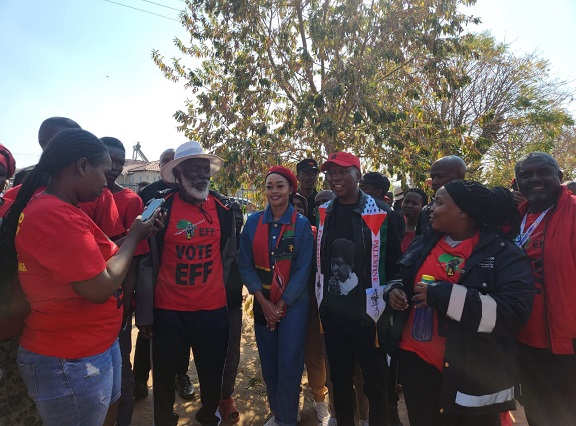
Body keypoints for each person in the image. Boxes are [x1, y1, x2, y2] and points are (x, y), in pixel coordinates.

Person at [0, 128, 160, 426]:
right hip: (68, 357)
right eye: (103, 170)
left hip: (93, 345)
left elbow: (102, 258)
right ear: (82, 166)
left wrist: (136, 233)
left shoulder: (66, 209)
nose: (107, 180)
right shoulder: (52, 214)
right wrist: (136, 235)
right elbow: (99, 287)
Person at [386, 180, 534, 426]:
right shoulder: (425, 241)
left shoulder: (503, 253)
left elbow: (512, 313)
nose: (431, 207)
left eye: (439, 202)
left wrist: (443, 295)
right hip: (417, 364)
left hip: (471, 373)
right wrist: (395, 290)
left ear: (463, 212)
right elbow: (401, 275)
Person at [138, 141, 236, 426]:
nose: (202, 175)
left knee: (212, 372)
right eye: (194, 170)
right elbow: (145, 262)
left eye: (205, 170)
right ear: (178, 174)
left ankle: (209, 416)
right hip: (168, 312)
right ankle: (164, 420)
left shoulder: (224, 209)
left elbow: (228, 257)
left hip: (212, 311)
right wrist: (145, 313)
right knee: (166, 376)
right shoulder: (159, 209)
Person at [317, 152, 402, 426]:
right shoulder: (324, 211)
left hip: (370, 316)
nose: (335, 178)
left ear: (357, 175)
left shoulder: (381, 211)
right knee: (339, 381)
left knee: (375, 383)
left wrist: (394, 290)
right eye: (330, 173)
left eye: (342, 172)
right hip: (333, 313)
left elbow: (396, 262)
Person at [239, 165, 313, 426]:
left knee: (289, 364)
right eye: (269, 186)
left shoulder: (302, 225)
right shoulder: (253, 222)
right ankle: (279, 412)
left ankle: (288, 418)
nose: (274, 191)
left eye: (280, 186)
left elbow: (304, 270)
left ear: (291, 189)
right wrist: (263, 301)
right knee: (269, 363)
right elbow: (245, 263)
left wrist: (280, 304)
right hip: (262, 303)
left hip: (292, 305)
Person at [514, 152, 576, 424]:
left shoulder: (574, 212)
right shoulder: (514, 218)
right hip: (523, 340)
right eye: (526, 175)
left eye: (543, 172)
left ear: (559, 177)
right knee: (538, 414)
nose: (535, 179)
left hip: (567, 342)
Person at [132, 147, 196, 401]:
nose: (169, 164)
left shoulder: (191, 194)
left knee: (181, 338)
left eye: (173, 161)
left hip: (179, 283)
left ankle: (181, 375)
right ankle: (139, 380)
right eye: (165, 161)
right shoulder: (148, 194)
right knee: (147, 334)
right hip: (152, 277)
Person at [3, 117, 125, 239]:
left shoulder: (100, 195)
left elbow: (110, 246)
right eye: (72, 144)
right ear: (45, 143)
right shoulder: (15, 196)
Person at [100, 136, 151, 426]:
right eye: (110, 161)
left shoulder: (131, 200)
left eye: (120, 162)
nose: (115, 168)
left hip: (116, 302)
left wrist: (125, 302)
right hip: (83, 301)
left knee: (121, 367)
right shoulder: (73, 199)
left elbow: (136, 257)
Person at [219, 201, 244, 424]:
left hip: (234, 306)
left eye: (240, 213)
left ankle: (226, 398)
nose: (237, 217)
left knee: (231, 354)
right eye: (232, 213)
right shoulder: (217, 237)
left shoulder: (247, 240)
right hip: (209, 306)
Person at [417, 155, 466, 236]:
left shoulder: (477, 208)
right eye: (433, 177)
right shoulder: (426, 211)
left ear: (460, 177)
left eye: (440, 177)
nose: (434, 182)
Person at [401, 188, 428, 253]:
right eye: (406, 202)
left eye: (414, 203)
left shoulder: (426, 231)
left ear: (423, 207)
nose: (409, 205)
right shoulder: (395, 224)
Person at [296, 158, 320, 224]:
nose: (311, 178)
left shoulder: (320, 201)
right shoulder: (291, 200)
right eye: (307, 174)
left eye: (314, 174)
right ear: (298, 177)